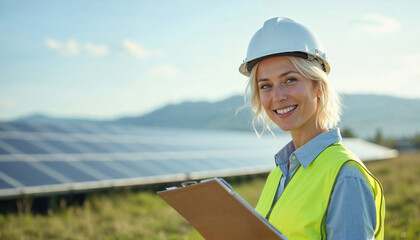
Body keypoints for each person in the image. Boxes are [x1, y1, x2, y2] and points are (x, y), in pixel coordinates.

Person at [239, 17, 385, 239]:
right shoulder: (279, 173)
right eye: (266, 85)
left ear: (318, 86)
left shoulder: (346, 176)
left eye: (289, 80)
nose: (278, 96)